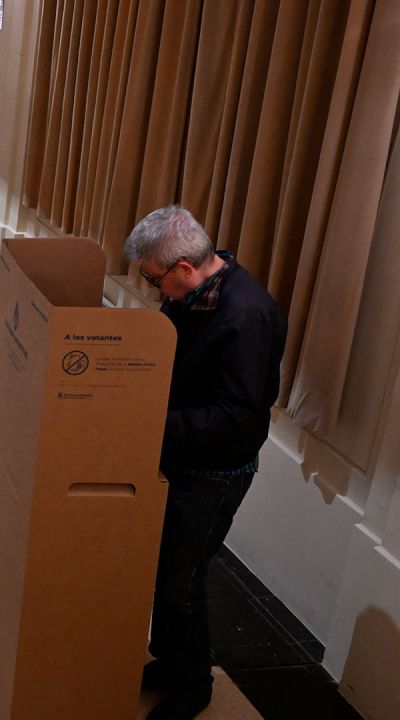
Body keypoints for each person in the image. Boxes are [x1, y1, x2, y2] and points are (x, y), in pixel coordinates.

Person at [123, 206, 286, 720]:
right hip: (184, 454)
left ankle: (193, 687)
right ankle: (171, 661)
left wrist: (159, 420)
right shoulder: (193, 296)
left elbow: (236, 418)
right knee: (164, 568)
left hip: (216, 470)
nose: (153, 290)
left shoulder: (246, 316)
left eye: (154, 279)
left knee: (182, 579)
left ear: (185, 268)